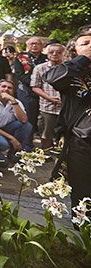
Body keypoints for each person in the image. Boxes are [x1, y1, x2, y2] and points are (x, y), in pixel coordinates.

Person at [44, 32, 91, 210]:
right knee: (83, 195)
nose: (90, 45)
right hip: (81, 142)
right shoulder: (70, 74)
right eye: (85, 43)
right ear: (74, 50)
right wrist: (84, 58)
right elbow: (52, 78)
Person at [30, 43, 64, 151]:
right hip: (48, 106)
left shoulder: (69, 67)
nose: (55, 54)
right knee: (46, 132)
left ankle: (63, 154)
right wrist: (50, 98)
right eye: (51, 52)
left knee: (66, 132)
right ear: (47, 54)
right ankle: (47, 153)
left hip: (67, 106)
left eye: (59, 52)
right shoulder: (40, 68)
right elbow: (35, 86)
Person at [14, 37, 47, 132]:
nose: (34, 46)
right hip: (27, 90)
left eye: (37, 43)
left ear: (42, 46)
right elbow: (19, 75)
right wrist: (35, 84)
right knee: (29, 115)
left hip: (44, 90)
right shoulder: (21, 57)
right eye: (31, 44)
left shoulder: (46, 58)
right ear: (27, 46)